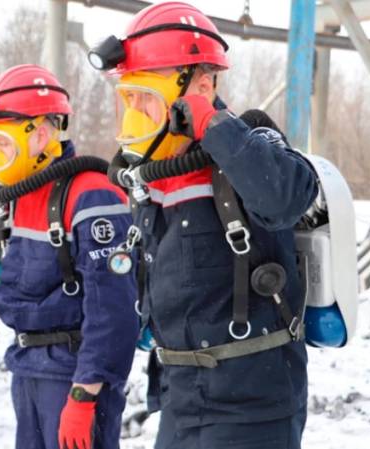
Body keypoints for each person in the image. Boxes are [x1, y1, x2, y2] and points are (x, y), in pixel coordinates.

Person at [88, 2, 318, 448]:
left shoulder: (251, 142)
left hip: (252, 405)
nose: (136, 114)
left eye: (146, 99)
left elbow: (287, 196)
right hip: (180, 398)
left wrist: (212, 121)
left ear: (203, 84)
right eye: (129, 99)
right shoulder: (157, 171)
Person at [0, 64, 139, 449]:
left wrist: (84, 394)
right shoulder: (23, 196)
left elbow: (114, 308)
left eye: (2, 143)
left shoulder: (92, 194)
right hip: (29, 367)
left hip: (72, 375)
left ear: (41, 134)